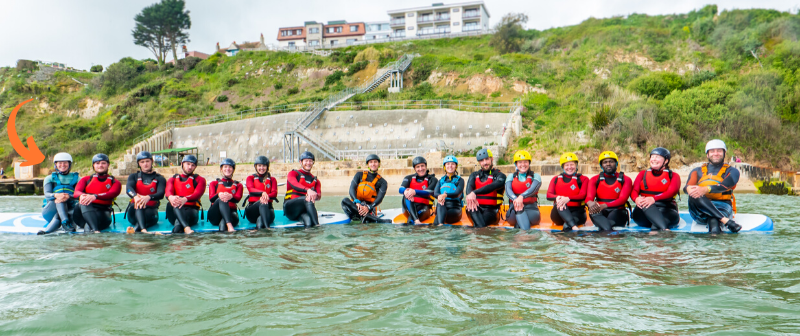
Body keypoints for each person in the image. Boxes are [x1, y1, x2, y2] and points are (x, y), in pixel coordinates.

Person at [684, 139, 742, 233]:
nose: (716, 153)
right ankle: (725, 220)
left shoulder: (732, 171)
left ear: (724, 153)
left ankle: (715, 244)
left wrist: (707, 189)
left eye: (719, 151)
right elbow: (686, 188)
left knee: (713, 221)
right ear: (707, 154)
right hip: (700, 211)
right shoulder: (697, 171)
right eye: (712, 151)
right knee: (693, 193)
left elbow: (725, 186)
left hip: (722, 207)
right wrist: (688, 188)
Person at [630, 147, 681, 231]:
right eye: (652, 157)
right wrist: (636, 199)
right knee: (646, 203)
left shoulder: (674, 176)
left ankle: (659, 230)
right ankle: (665, 229)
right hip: (643, 214)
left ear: (666, 160)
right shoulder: (642, 174)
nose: (654, 159)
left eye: (657, 157)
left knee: (656, 225)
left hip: (667, 212)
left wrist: (653, 199)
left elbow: (671, 192)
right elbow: (634, 190)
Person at [73, 154, 122, 233]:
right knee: (84, 201)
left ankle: (94, 230)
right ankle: (95, 230)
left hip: (102, 214)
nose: (100, 165)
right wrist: (82, 195)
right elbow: (76, 192)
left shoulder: (115, 182)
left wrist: (95, 196)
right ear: (93, 165)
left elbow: (112, 193)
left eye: (103, 163)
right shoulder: (85, 179)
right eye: (97, 163)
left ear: (108, 165)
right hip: (82, 215)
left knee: (88, 226)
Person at [585, 151, 633, 231]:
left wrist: (605, 205)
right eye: (605, 162)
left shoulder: (626, 180)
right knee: (593, 212)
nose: (608, 164)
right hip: (599, 210)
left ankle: (606, 234)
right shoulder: (594, 180)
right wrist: (590, 203)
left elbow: (622, 200)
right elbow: (589, 197)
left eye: (611, 162)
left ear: (616, 164)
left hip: (618, 211)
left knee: (606, 227)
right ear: (601, 165)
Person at [341, 154, 391, 223]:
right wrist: (356, 202)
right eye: (371, 162)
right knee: (344, 200)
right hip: (356, 206)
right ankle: (376, 220)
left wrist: (368, 207)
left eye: (375, 162)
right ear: (368, 164)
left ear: (379, 164)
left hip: (369, 208)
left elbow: (379, 199)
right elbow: (351, 189)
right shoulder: (359, 175)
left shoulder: (383, 182)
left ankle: (367, 217)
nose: (373, 164)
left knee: (366, 220)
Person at [125, 151, 167, 233]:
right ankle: (143, 230)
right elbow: (128, 189)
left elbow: (161, 194)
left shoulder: (160, 178)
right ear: (139, 164)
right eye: (142, 162)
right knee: (139, 205)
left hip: (151, 212)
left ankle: (137, 229)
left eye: (147, 161)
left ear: (152, 161)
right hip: (133, 212)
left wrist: (148, 197)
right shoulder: (133, 176)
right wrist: (135, 196)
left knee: (144, 210)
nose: (145, 164)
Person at [546, 152, 589, 232]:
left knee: (567, 226)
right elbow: (548, 195)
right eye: (567, 165)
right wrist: (558, 197)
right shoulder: (555, 179)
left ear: (576, 165)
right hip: (558, 214)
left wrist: (568, 198)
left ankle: (570, 233)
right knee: (560, 203)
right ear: (563, 167)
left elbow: (583, 195)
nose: (569, 167)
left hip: (577, 213)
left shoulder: (584, 179)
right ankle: (573, 226)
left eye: (572, 164)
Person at [39, 152, 80, 234]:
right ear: (56, 165)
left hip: (70, 210)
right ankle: (65, 221)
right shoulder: (49, 178)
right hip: (50, 211)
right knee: (60, 199)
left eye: (65, 163)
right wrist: (56, 195)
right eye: (60, 163)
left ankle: (48, 231)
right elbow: (47, 195)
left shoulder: (78, 179)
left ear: (69, 164)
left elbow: (80, 195)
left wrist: (69, 196)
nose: (62, 165)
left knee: (63, 200)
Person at [165, 155, 206, 234]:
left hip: (191, 212)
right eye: (188, 164)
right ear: (182, 164)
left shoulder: (200, 180)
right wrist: (171, 197)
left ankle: (181, 230)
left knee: (178, 227)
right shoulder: (172, 179)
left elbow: (197, 194)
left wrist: (185, 199)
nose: (190, 167)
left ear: (195, 167)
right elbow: (168, 192)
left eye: (193, 165)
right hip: (174, 212)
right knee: (173, 203)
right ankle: (187, 228)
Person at [465, 149, 506, 228]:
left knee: (480, 223)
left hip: (492, 211)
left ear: (492, 159)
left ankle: (476, 230)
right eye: (482, 160)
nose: (485, 163)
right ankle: (481, 231)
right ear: (479, 162)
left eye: (487, 159)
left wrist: (474, 192)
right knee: (471, 208)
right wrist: (471, 194)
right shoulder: (474, 175)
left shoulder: (500, 176)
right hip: (475, 208)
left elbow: (491, 187)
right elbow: (468, 191)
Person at [504, 150, 542, 230]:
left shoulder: (536, 176)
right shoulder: (510, 176)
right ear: (516, 164)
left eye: (525, 162)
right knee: (518, 211)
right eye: (520, 162)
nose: (523, 165)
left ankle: (521, 236)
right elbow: (508, 191)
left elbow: (533, 189)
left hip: (531, 210)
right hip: (514, 209)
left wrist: (521, 196)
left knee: (520, 219)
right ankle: (525, 235)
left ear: (529, 163)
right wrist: (516, 200)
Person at [284, 151, 322, 228]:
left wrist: (315, 196)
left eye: (310, 161)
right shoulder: (293, 173)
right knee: (307, 199)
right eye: (306, 161)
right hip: (290, 209)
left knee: (308, 221)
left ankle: (308, 237)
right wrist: (308, 190)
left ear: (313, 163)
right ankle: (318, 227)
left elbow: (318, 196)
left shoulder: (316, 181)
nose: (308, 163)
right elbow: (294, 185)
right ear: (300, 162)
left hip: (303, 210)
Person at [207, 158, 243, 232]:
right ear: (221, 169)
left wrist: (231, 196)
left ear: (233, 169)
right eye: (225, 167)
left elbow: (238, 199)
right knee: (222, 198)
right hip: (215, 215)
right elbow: (211, 198)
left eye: (230, 167)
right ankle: (230, 226)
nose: (228, 169)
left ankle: (225, 241)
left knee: (223, 223)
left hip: (231, 213)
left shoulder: (238, 185)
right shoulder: (214, 183)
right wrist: (219, 195)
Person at [399, 156, 438, 225]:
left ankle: (415, 221)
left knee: (411, 220)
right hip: (409, 208)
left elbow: (428, 193)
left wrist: (414, 192)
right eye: (418, 167)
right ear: (414, 168)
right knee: (406, 194)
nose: (420, 169)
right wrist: (406, 191)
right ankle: (417, 220)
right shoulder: (408, 178)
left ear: (426, 166)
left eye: (422, 166)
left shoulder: (432, 179)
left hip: (424, 208)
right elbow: (400, 189)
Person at [244, 156, 278, 229]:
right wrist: (263, 193)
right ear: (256, 166)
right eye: (259, 166)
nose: (261, 168)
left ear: (267, 167)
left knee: (260, 220)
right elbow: (250, 189)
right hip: (252, 211)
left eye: (264, 166)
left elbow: (274, 193)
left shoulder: (272, 179)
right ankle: (267, 228)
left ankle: (260, 233)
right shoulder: (250, 178)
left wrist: (266, 197)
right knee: (262, 202)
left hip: (268, 211)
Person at [432, 155, 465, 226]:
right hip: (442, 208)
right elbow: (435, 193)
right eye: (448, 164)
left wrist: (445, 195)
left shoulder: (460, 180)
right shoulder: (441, 181)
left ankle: (439, 226)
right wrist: (440, 197)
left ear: (456, 166)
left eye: (453, 164)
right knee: (441, 203)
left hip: (455, 210)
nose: (450, 166)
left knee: (438, 217)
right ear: (444, 166)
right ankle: (441, 225)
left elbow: (457, 193)